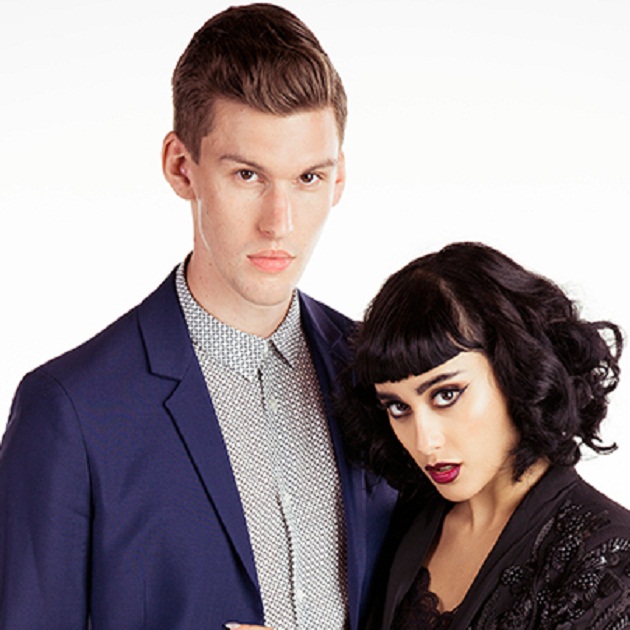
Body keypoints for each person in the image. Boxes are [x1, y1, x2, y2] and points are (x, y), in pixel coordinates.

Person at [0, 4, 396, 628]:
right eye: (247, 174)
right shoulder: (72, 412)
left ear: (339, 177)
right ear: (181, 167)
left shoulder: (383, 372)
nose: (279, 222)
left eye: (307, 177)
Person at [339, 242, 630, 629]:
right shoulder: (404, 520)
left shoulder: (611, 561)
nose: (425, 441)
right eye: (398, 407)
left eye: (446, 395)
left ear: (517, 372)